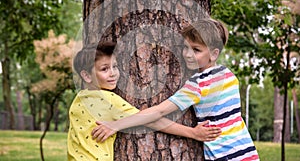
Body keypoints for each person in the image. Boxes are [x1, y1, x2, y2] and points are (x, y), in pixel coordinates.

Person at [91, 19, 260, 161]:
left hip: (225, 155)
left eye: (196, 50)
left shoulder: (199, 84)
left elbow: (158, 112)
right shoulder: (228, 75)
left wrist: (116, 125)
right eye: (186, 47)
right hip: (247, 151)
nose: (187, 54)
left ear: (214, 54)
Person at [67, 41, 221, 161]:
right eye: (104, 69)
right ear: (87, 76)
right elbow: (151, 121)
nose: (113, 73)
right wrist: (192, 132)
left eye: (115, 66)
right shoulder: (107, 99)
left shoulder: (79, 98)